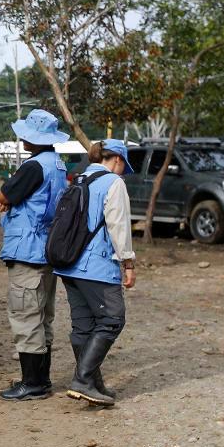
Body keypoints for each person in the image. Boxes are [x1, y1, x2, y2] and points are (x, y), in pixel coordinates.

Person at [0, 109, 69, 401]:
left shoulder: (34, 166)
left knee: (25, 316)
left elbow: (4, 195)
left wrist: (7, 201)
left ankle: (32, 383)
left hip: (27, 251)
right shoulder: (58, 165)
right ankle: (42, 378)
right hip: (47, 249)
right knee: (43, 316)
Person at [54, 139, 136, 406]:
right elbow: (119, 227)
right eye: (124, 165)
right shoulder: (114, 182)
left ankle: (93, 384)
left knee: (83, 326)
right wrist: (128, 263)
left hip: (69, 264)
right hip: (97, 266)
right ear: (117, 160)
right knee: (113, 319)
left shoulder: (78, 179)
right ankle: (82, 379)